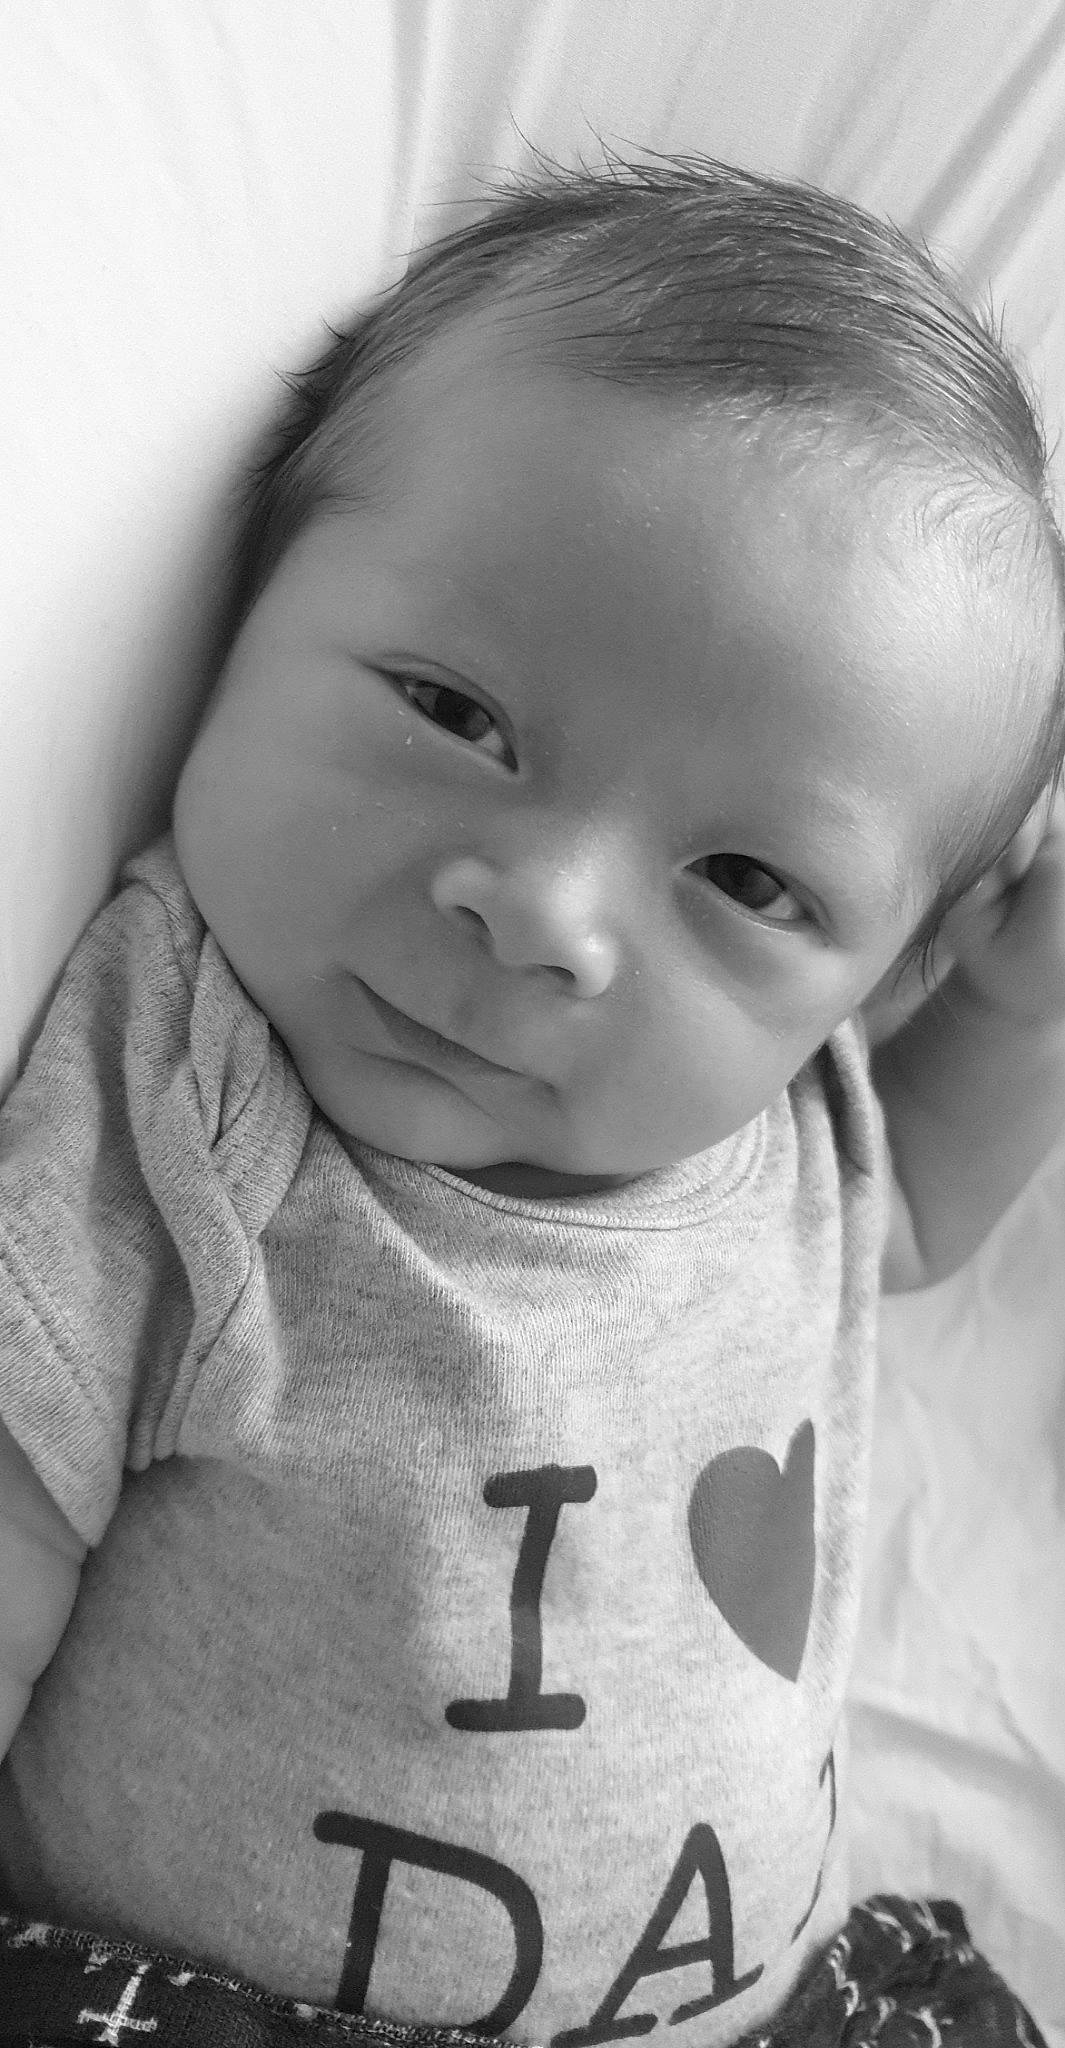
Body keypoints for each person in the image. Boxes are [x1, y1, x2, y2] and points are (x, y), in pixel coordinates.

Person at [0, 154, 1061, 2048]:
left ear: (880, 966)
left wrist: (1019, 1000)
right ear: (246, 607)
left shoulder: (783, 1122)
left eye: (747, 882)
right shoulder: (195, 1090)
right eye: (453, 712)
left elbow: (897, 1225)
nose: (545, 914)